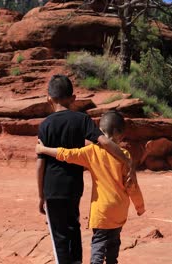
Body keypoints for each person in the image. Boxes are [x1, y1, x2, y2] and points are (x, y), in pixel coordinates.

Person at [37, 75, 134, 264]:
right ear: (73, 98)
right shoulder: (82, 120)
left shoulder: (45, 125)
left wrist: (41, 195)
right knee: (73, 227)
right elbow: (104, 141)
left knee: (59, 236)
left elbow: (40, 164)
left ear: (49, 98)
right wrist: (127, 161)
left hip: (52, 188)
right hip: (73, 187)